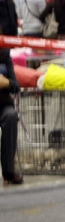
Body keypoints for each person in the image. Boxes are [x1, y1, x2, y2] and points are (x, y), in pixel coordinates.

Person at [0, 40, 23, 185]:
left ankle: (8, 172)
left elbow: (16, 86)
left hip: (2, 104)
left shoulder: (4, 53)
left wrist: (6, 83)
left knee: (10, 116)